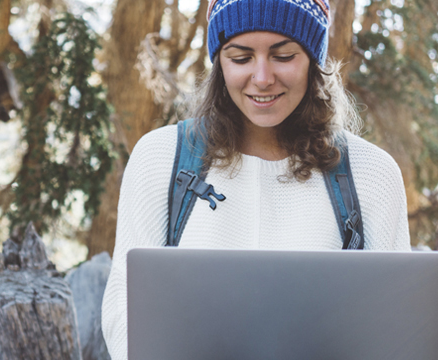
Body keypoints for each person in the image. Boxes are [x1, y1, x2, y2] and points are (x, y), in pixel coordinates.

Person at [99, 0, 412, 359]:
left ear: (313, 59)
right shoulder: (160, 156)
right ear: (219, 62)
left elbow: (395, 330)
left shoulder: (371, 172)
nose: (262, 78)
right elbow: (125, 306)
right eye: (241, 57)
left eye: (283, 56)